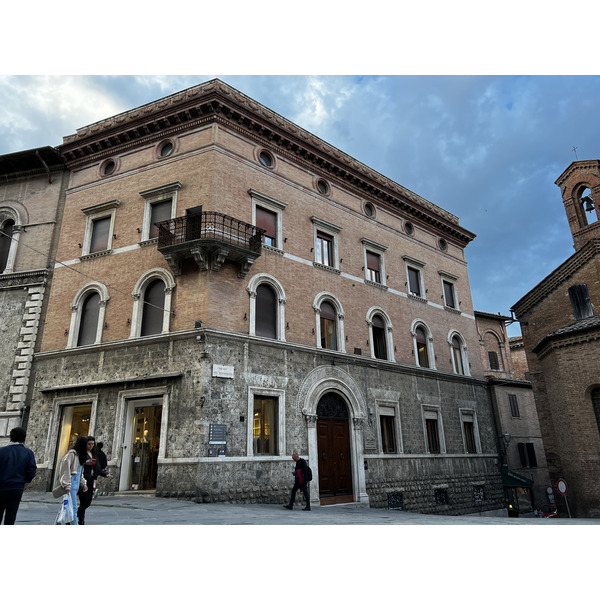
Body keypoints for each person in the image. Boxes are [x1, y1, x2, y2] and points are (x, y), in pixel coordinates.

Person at [0, 427, 37, 525]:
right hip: (17, 487)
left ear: (10, 438)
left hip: (1, 487)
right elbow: (32, 471)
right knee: (11, 517)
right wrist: (26, 483)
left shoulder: (1, 451)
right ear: (24, 438)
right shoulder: (28, 453)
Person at [77, 436, 113, 525]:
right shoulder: (82, 453)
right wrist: (85, 463)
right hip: (83, 480)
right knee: (84, 501)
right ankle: (80, 520)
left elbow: (97, 468)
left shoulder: (94, 454)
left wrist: (105, 474)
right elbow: (77, 465)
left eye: (93, 444)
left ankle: (74, 514)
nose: (91, 446)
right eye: (89, 444)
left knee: (88, 502)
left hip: (91, 480)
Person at [57, 435, 90, 525]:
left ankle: (58, 524)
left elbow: (80, 473)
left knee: (66, 507)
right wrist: (67, 485)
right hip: (71, 483)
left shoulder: (79, 456)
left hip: (75, 484)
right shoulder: (71, 455)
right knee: (73, 508)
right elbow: (65, 470)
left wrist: (84, 483)